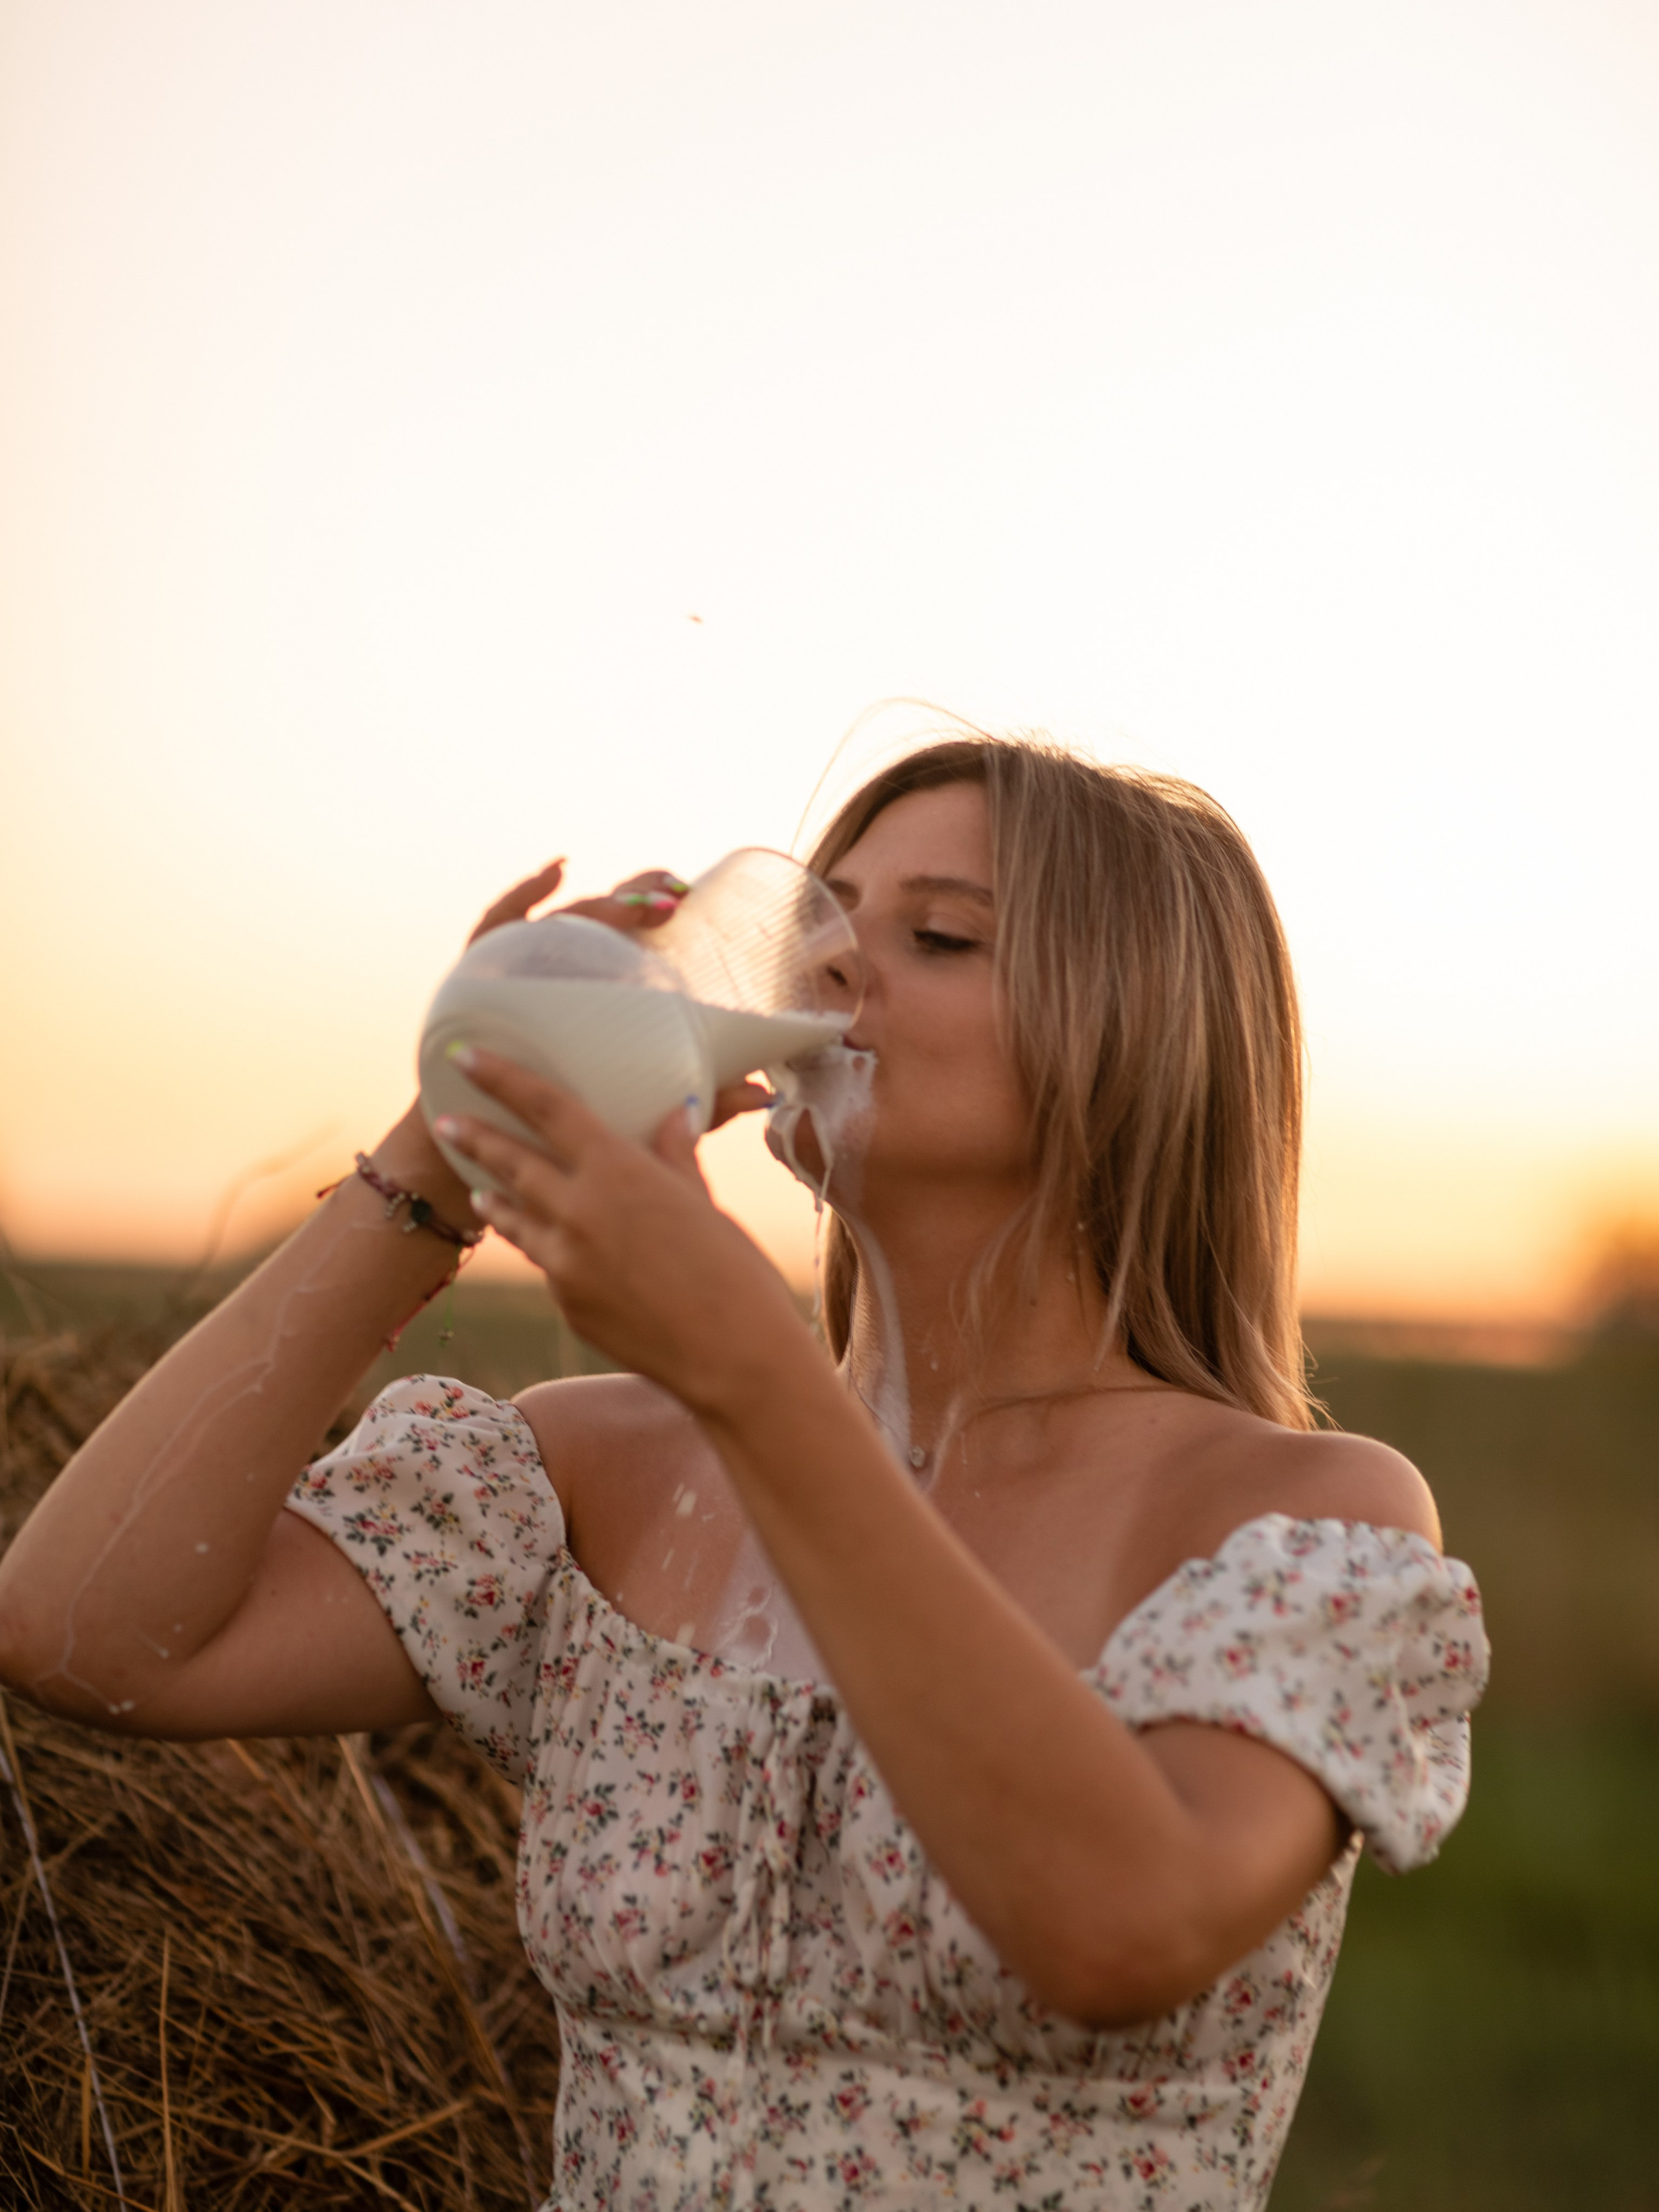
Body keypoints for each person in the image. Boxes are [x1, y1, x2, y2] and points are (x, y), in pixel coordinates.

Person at [0, 734, 1487, 2211]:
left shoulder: (1294, 1522)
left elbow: (1113, 1928)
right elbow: (86, 1628)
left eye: (938, 935)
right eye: (820, 924)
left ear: (1135, 1032)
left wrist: (748, 1372)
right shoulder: (604, 1469)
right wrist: (450, 1138)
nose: (831, 973)